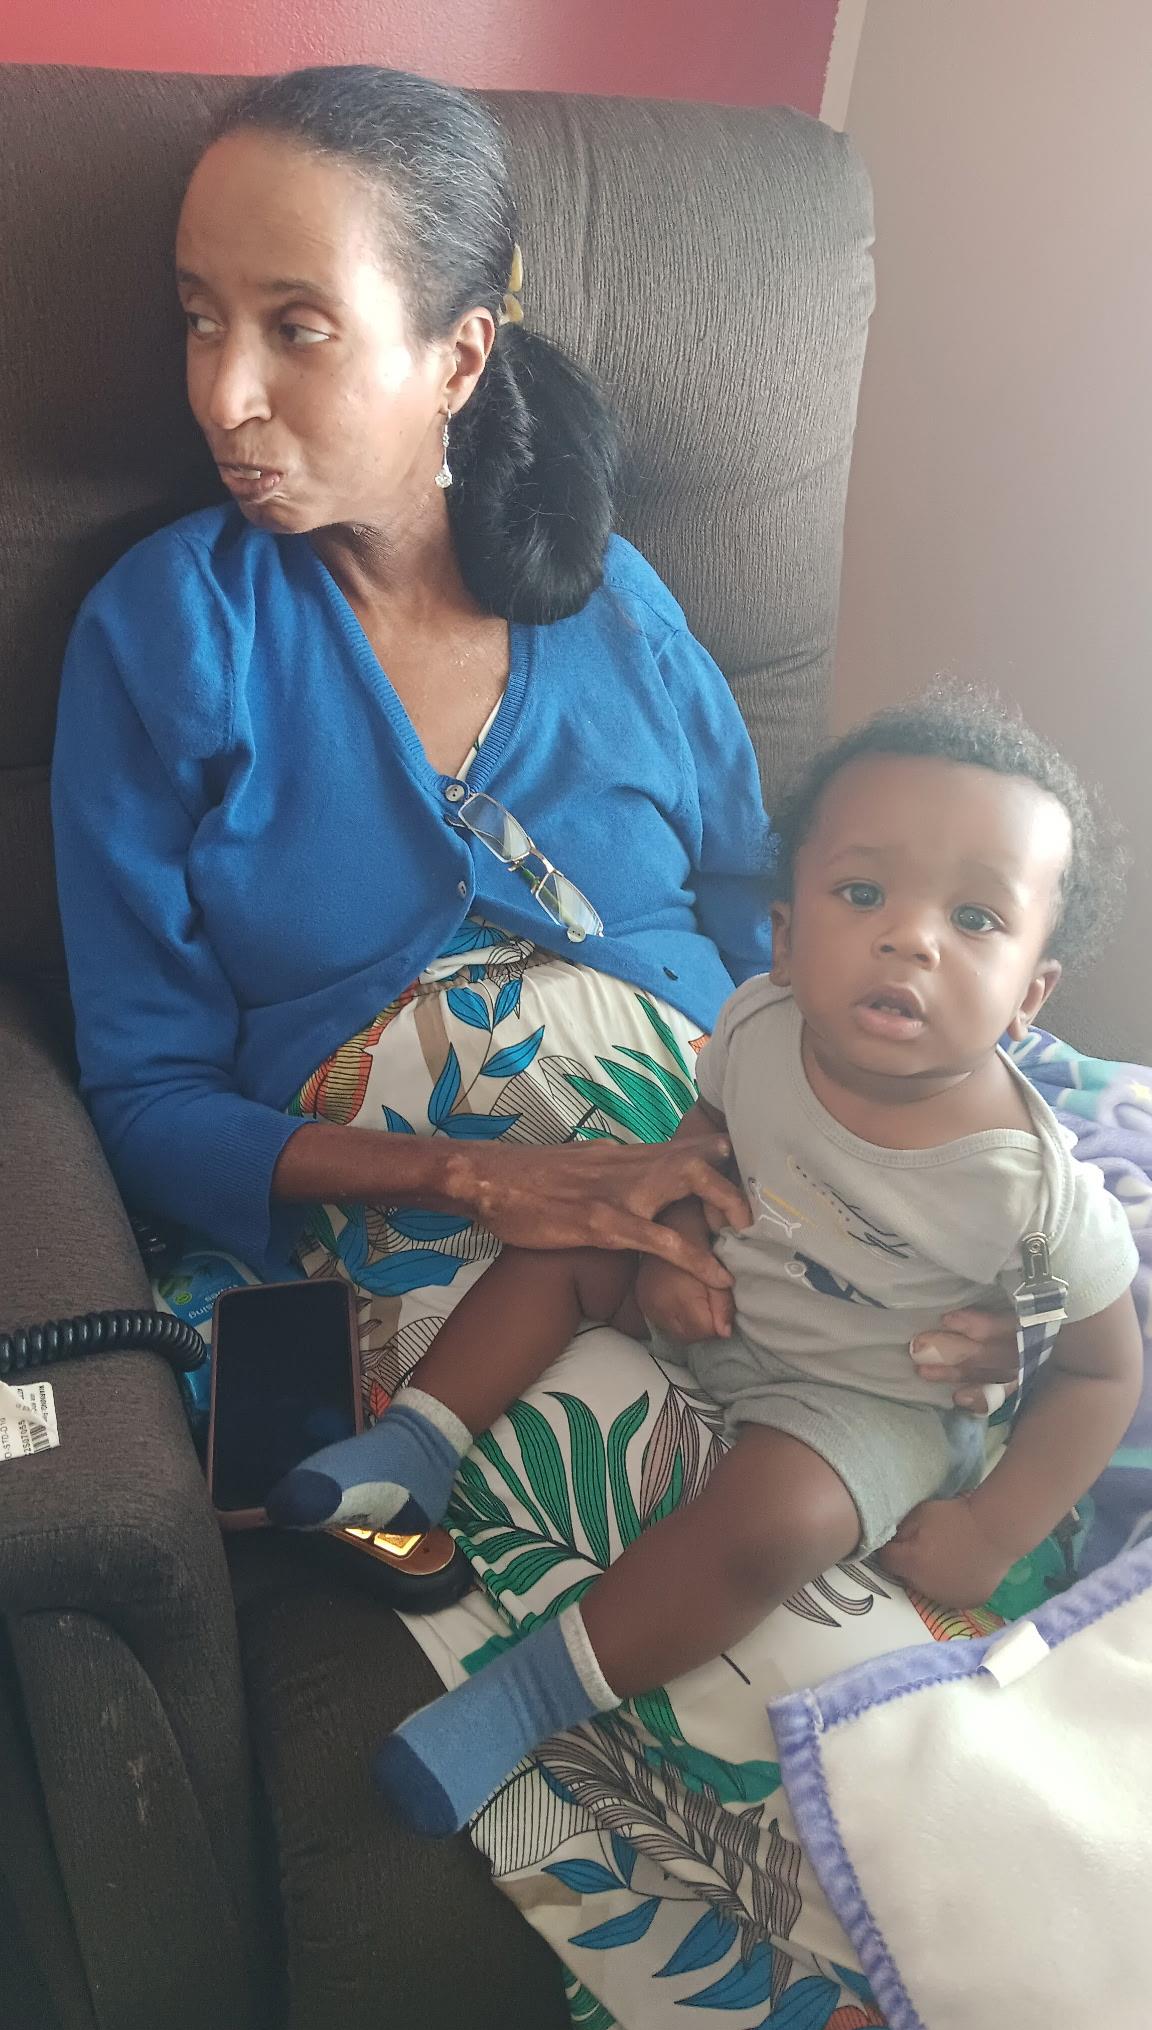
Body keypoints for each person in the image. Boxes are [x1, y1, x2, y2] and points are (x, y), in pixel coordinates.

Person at [52, 72, 1016, 1473]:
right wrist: (482, 1177)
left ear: (458, 358)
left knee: (998, 1386)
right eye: (202, 318)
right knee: (703, 1496)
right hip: (444, 1258)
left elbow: (789, 934)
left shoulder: (617, 606)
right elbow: (147, 1101)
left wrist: (933, 1194)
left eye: (296, 327)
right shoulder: (169, 634)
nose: (223, 392)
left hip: (748, 1172)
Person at [265, 691, 1141, 1837]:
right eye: (862, 893)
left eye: (974, 917)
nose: (910, 938)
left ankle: (520, 1702)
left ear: (1030, 994)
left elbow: (1101, 1370)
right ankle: (416, 1444)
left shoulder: (1025, 1183)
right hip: (727, 1286)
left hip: (863, 1397)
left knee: (776, 1522)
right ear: (784, 934)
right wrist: (677, 1239)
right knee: (572, 1239)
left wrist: (994, 1530)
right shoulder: (759, 1022)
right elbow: (705, 1134)